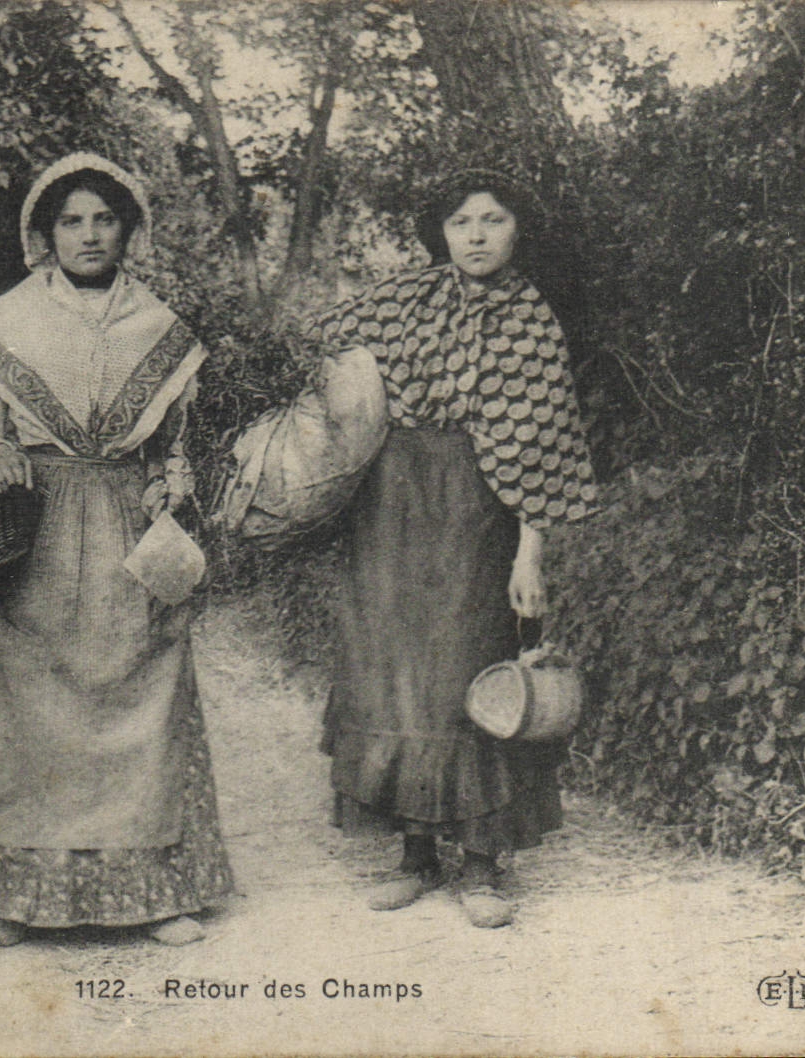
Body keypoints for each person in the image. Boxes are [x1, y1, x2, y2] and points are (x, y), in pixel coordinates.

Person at [0, 153, 236, 947]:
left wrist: (170, 483)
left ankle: (152, 892)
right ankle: (17, 893)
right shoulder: (10, 319)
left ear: (129, 230)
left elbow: (176, 440)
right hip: (31, 525)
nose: (89, 234)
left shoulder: (159, 325)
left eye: (105, 218)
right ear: (47, 233)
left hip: (128, 522)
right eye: (71, 221)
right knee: (27, 704)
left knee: (141, 690)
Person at [316, 169, 598, 928]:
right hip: (389, 512)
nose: (476, 235)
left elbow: (545, 453)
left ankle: (480, 864)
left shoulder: (531, 323)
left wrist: (529, 555)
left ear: (518, 230)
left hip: (479, 517)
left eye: (493, 219)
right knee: (397, 680)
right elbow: (320, 347)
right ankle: (415, 856)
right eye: (461, 221)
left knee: (470, 675)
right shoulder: (402, 300)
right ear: (439, 232)